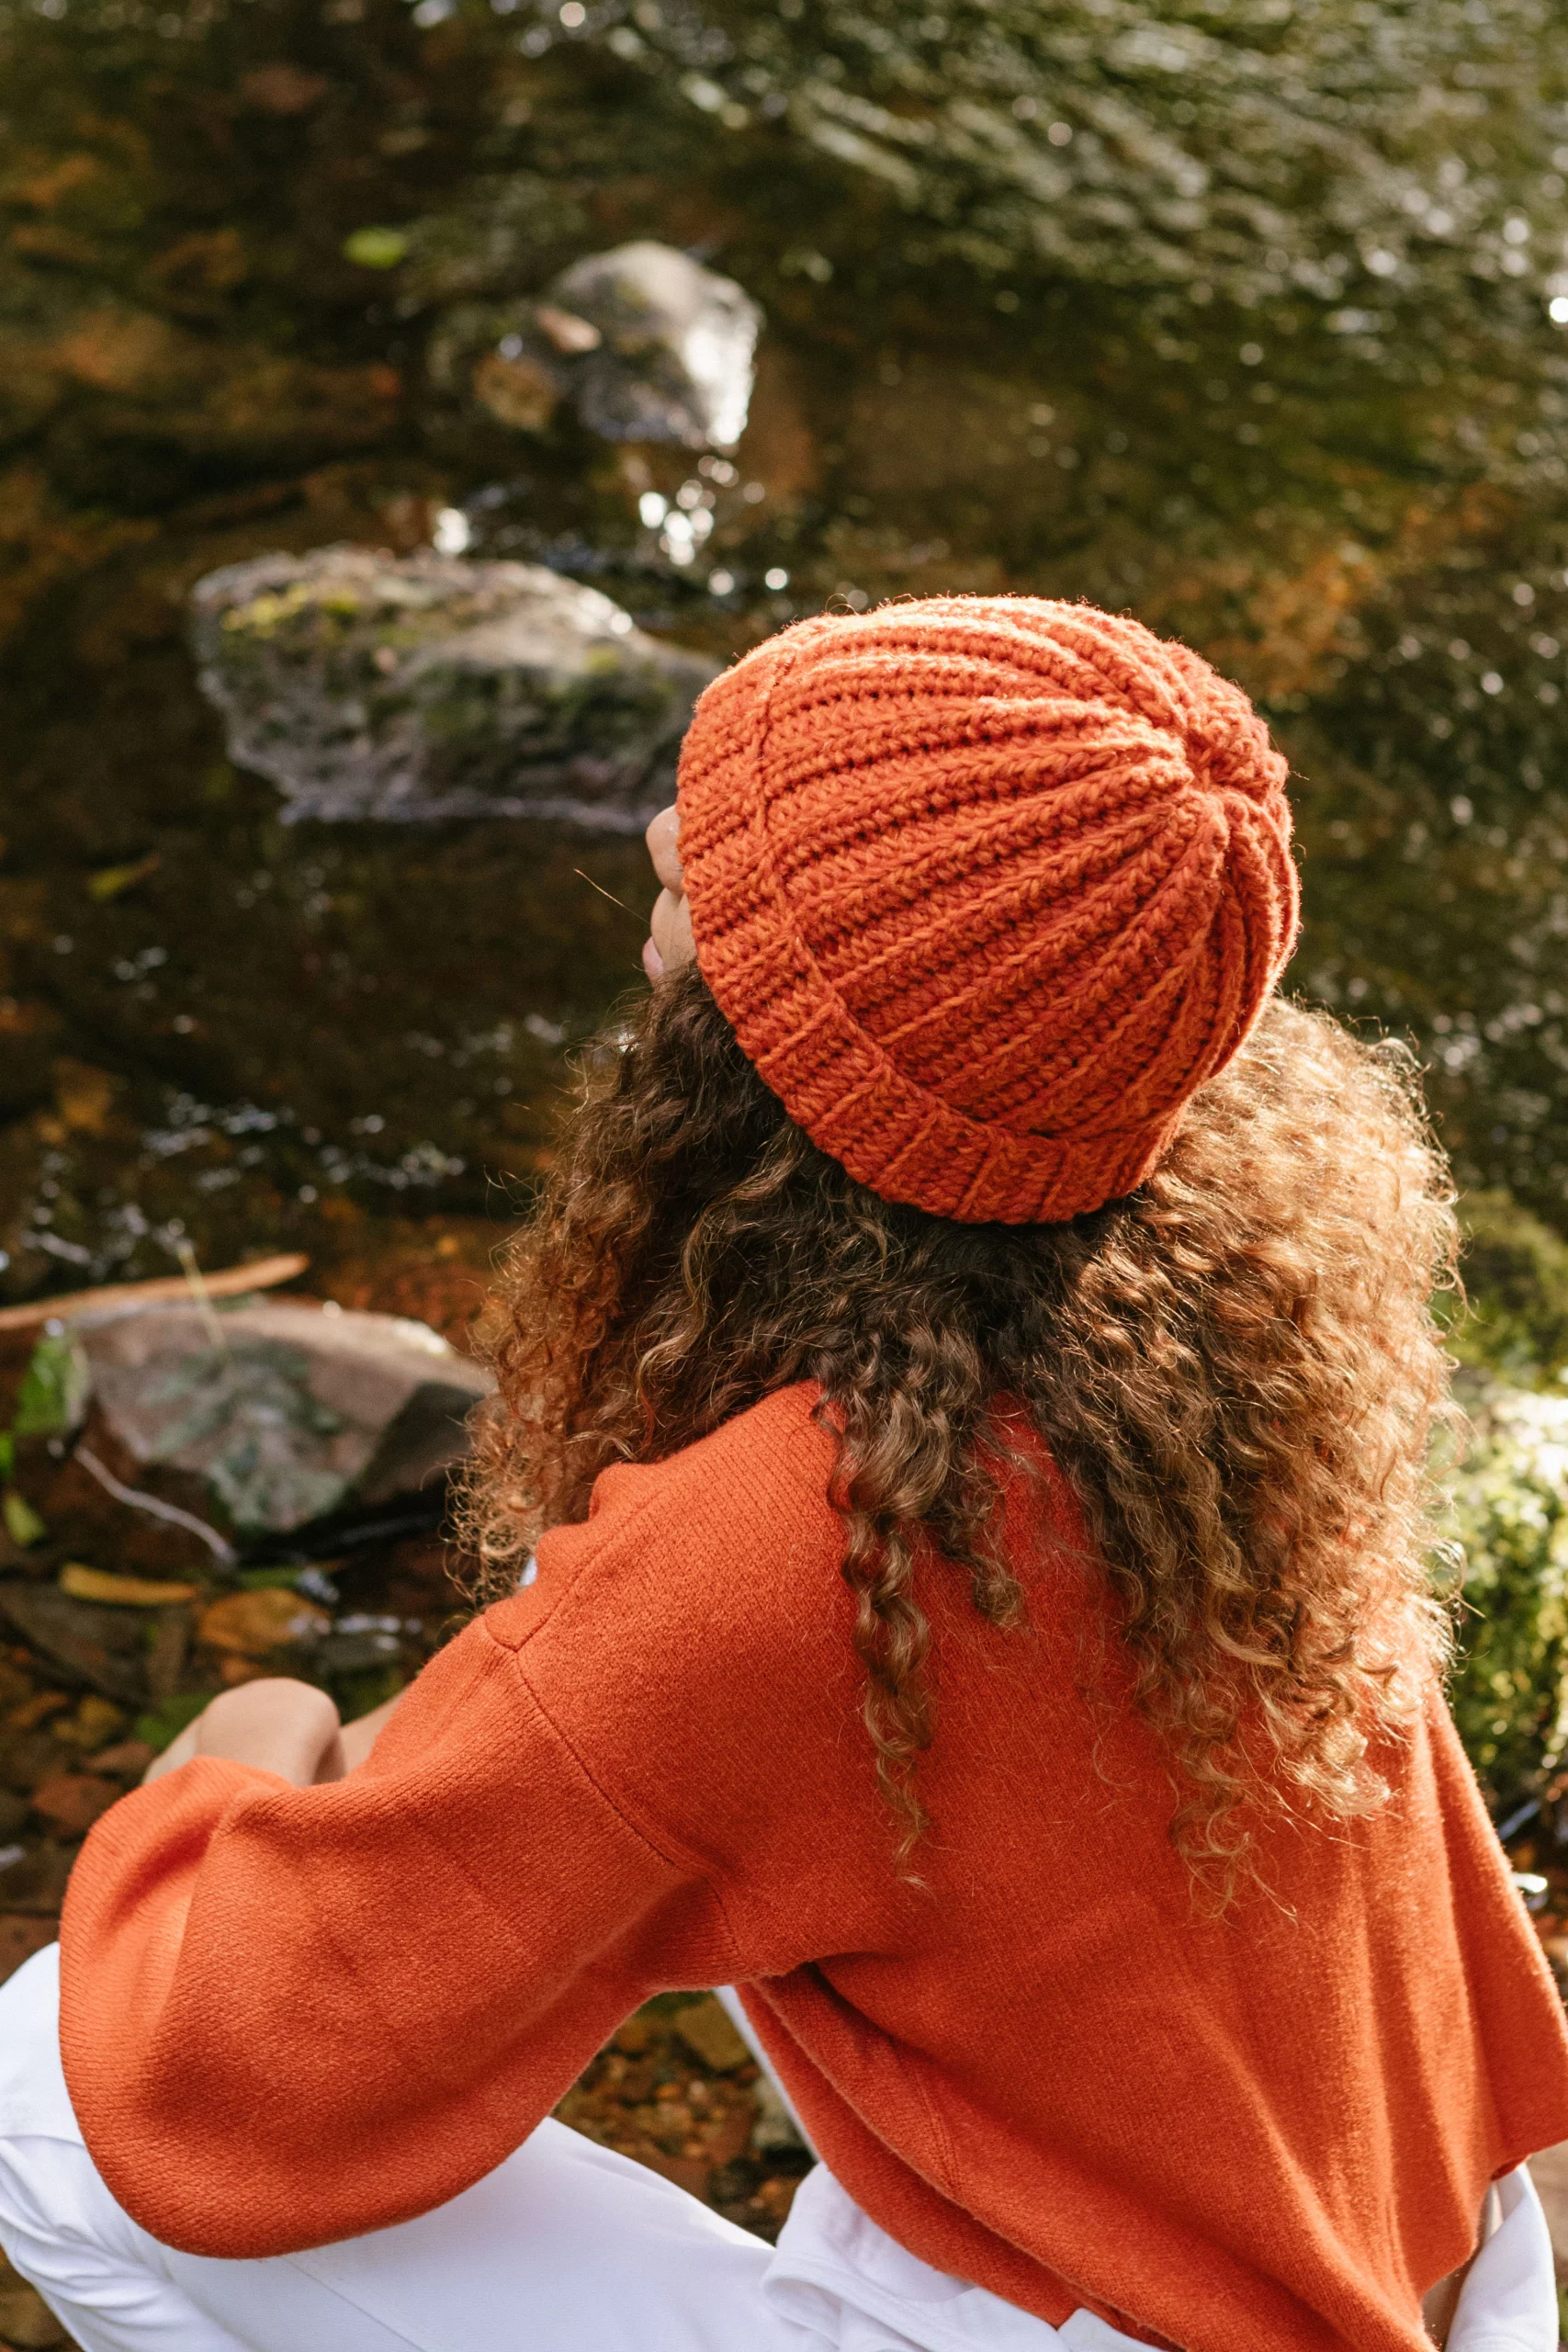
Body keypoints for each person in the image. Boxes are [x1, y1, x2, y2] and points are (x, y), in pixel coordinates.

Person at [0, 596, 1562, 2352]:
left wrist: (238, 1754)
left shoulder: (786, 1549)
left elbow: (216, 2082)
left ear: (781, 1060)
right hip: (1434, 2271)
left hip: (1106, 2325)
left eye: (712, 871)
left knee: (45, 2110)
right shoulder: (1228, 1365)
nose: (664, 836)